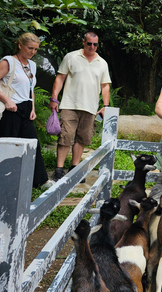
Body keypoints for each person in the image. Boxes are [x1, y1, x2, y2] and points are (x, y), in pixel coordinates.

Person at [49, 31, 111, 182]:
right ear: (83, 42)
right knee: (65, 136)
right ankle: (59, 169)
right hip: (70, 103)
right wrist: (54, 98)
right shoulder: (71, 57)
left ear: (98, 45)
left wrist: (106, 106)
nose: (92, 46)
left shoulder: (102, 63)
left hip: (90, 106)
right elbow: (60, 78)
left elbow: (105, 86)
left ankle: (74, 168)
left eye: (95, 44)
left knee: (82, 138)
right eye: (89, 43)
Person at [0, 33, 54, 189]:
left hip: (26, 109)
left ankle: (41, 181)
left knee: (32, 144)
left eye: (36, 49)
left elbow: (31, 88)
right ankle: (6, 183)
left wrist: (33, 109)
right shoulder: (8, 61)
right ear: (20, 45)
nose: (33, 52)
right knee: (8, 146)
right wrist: (7, 100)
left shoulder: (32, 65)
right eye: (30, 48)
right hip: (11, 109)